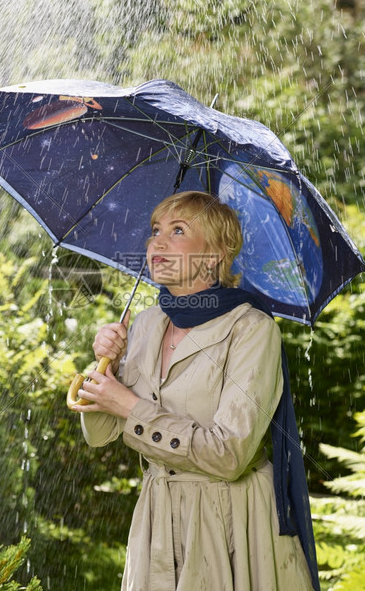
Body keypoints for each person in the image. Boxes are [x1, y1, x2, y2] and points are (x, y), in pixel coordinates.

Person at [71, 191, 319, 591]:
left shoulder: (252, 329)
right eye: (155, 231)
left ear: (215, 255)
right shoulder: (147, 322)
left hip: (231, 520)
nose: (157, 243)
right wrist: (108, 367)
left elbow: (229, 456)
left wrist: (131, 407)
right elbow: (99, 436)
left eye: (178, 230)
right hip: (157, 518)